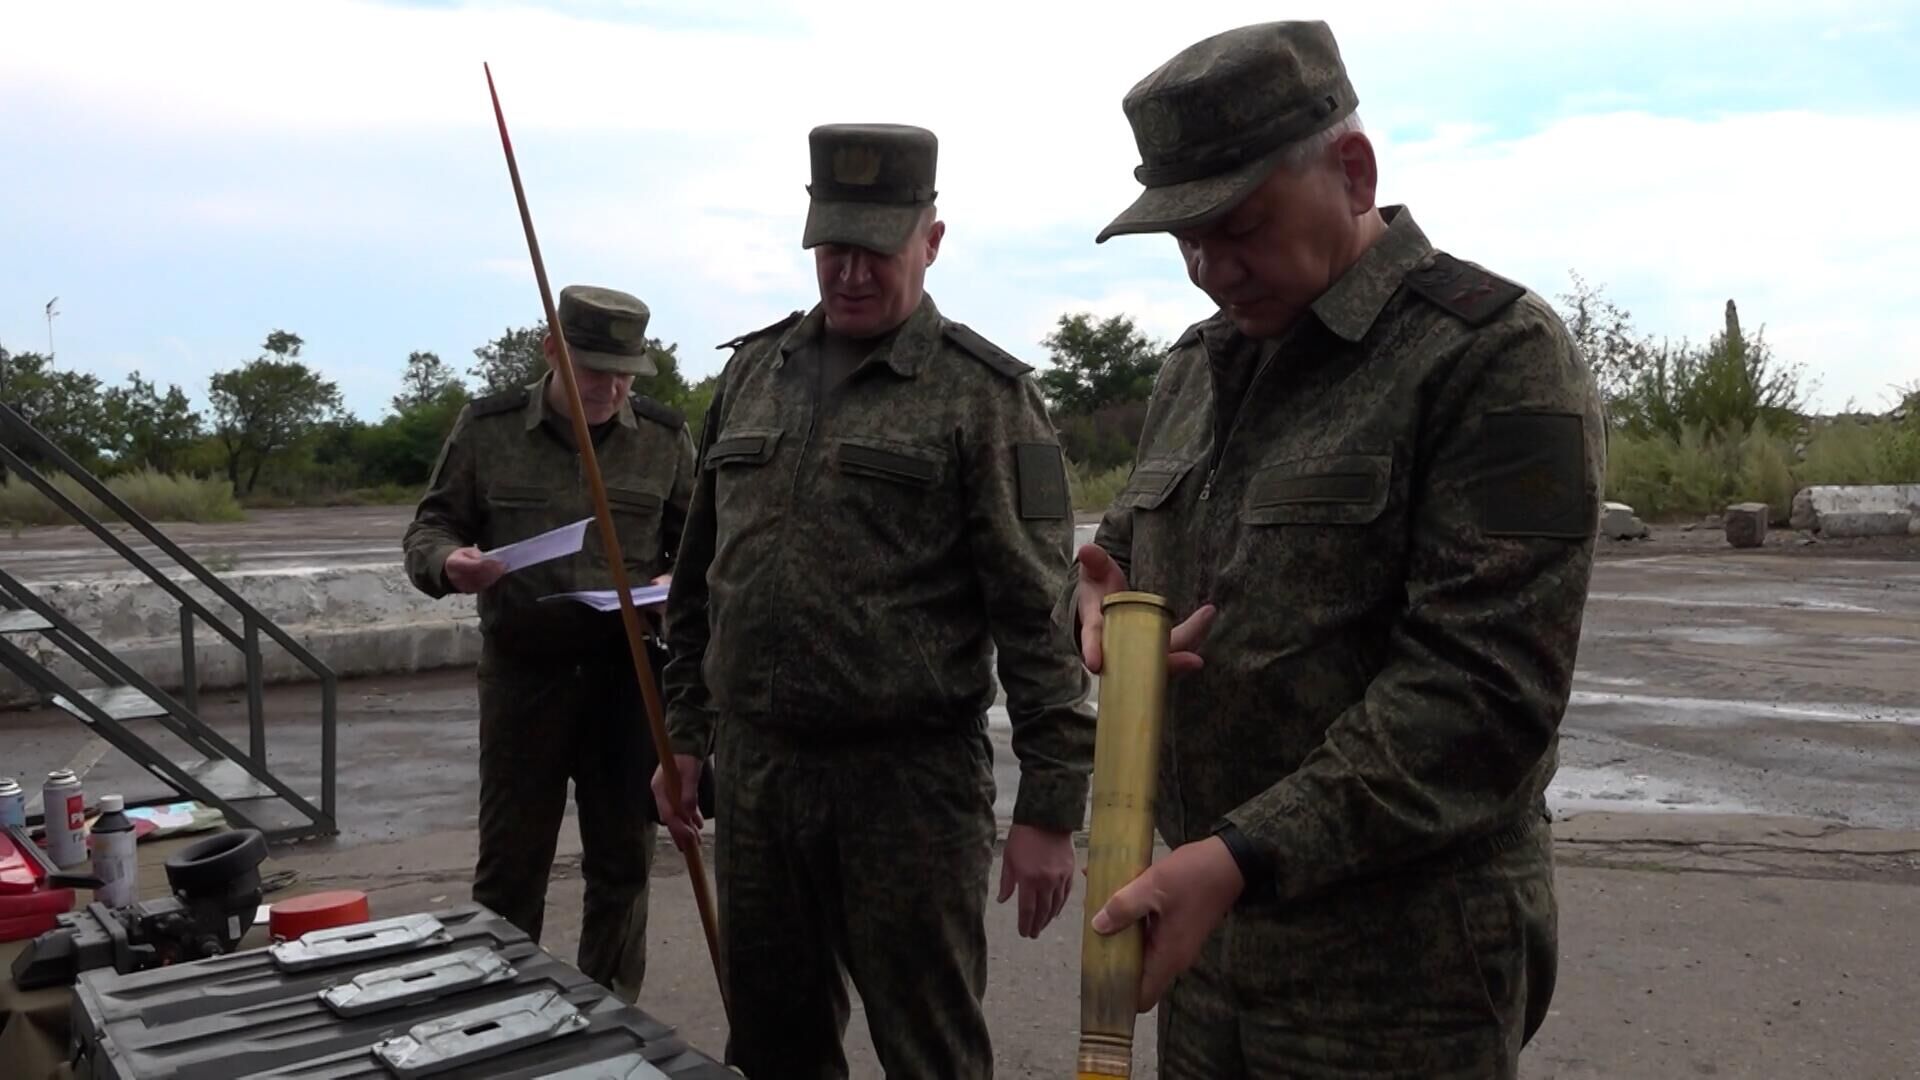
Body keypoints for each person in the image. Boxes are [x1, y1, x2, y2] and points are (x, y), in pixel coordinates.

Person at [1067, 20, 1607, 1080]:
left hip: (1400, 970)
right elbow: (1119, 560)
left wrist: (1242, 856)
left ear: (1352, 173)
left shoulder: (1493, 357)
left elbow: (1485, 694)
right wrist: (1089, 612)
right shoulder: (1198, 370)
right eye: (1184, 240)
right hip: (1208, 935)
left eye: (1239, 226)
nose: (1211, 269)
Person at [651, 122, 1096, 1078]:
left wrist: (1051, 807)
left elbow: (1037, 615)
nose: (849, 273)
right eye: (832, 248)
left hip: (908, 788)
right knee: (771, 1042)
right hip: (760, 779)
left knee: (925, 1045)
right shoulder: (751, 375)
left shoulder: (984, 397)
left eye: (876, 250)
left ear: (930, 241)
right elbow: (697, 587)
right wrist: (683, 733)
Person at [402, 284, 697, 1004]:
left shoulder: (664, 438)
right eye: (594, 367)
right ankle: (495, 1017)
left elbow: (697, 545)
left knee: (624, 863)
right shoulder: (489, 428)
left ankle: (607, 1016)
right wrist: (449, 564)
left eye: (626, 370)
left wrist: (672, 579)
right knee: (510, 868)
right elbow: (428, 528)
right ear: (551, 352)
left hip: (625, 679)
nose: (612, 385)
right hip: (524, 677)